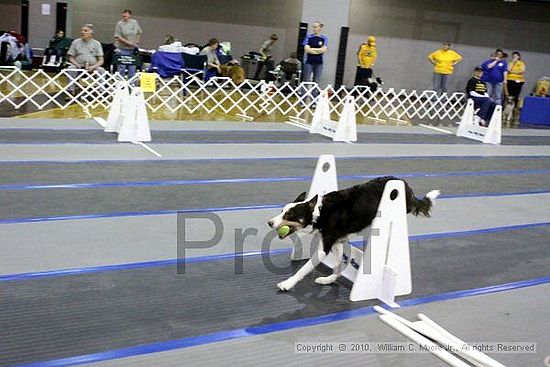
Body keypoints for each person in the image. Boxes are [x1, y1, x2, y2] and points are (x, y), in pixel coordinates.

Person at [66, 24, 105, 93]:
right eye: (82, 31)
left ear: (91, 33)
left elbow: (101, 60)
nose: (82, 32)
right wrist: (77, 64)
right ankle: (71, 90)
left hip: (92, 66)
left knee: (101, 70)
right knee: (70, 68)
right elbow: (71, 57)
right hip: (78, 65)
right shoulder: (75, 42)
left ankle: (101, 92)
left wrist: (94, 66)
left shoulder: (97, 44)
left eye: (85, 31)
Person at [114, 9, 142, 79]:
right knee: (121, 66)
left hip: (133, 49)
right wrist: (129, 43)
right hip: (122, 48)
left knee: (132, 67)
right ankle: (121, 83)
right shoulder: (119, 24)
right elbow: (118, 36)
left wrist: (137, 42)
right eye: (123, 14)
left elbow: (139, 32)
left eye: (126, 14)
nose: (124, 15)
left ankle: (131, 83)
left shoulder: (134, 22)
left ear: (130, 15)